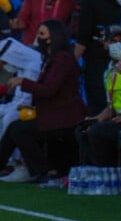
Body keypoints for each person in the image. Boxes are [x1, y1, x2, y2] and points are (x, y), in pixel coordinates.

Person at [2, 19, 86, 182]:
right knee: (16, 126)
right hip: (54, 116)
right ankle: (38, 169)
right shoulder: (52, 58)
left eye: (42, 34)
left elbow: (49, 89)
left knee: (18, 129)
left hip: (64, 118)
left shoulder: (62, 59)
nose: (38, 38)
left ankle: (41, 170)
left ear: (53, 36)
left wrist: (22, 82)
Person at [76, 25, 121, 167]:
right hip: (118, 117)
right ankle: (97, 172)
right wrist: (95, 119)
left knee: (98, 132)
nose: (116, 45)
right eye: (112, 41)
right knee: (82, 128)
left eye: (120, 40)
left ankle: (111, 171)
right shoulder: (108, 72)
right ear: (105, 45)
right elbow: (110, 107)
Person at [74, 0, 121, 115]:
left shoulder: (90, 1)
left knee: (98, 106)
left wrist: (69, 62)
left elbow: (83, 38)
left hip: (96, 64)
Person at [0, 38, 42, 182]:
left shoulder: (33, 67)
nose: (4, 65)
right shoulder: (22, 68)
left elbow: (25, 102)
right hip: (20, 106)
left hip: (34, 110)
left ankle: (19, 164)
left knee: (10, 118)